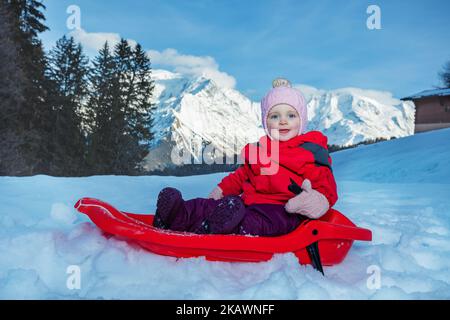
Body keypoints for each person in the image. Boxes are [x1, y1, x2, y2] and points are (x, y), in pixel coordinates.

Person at [152, 78, 338, 236]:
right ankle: (177, 213)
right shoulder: (261, 150)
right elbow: (241, 176)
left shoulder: (310, 152)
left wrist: (314, 200)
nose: (282, 121)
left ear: (302, 120)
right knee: (208, 206)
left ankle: (220, 228)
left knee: (254, 221)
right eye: (274, 116)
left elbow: (326, 187)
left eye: (291, 115)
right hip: (246, 204)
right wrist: (221, 191)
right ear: (266, 122)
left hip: (284, 211)